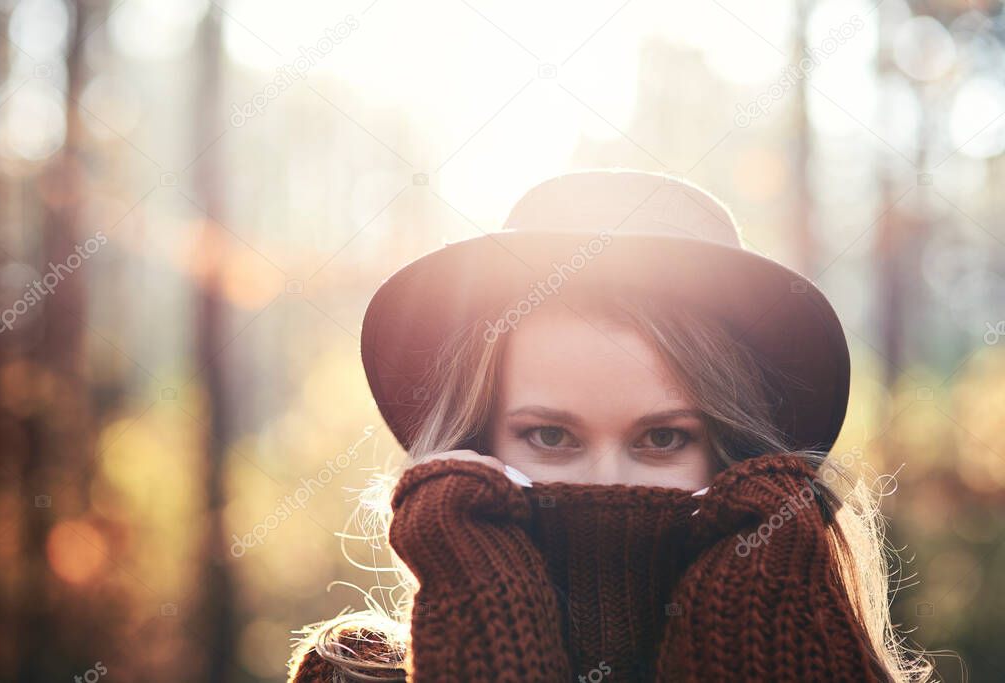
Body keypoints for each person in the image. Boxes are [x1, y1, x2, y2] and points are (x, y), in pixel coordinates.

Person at [287, 169, 933, 682]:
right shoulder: (352, 675)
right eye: (550, 435)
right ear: (475, 443)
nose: (605, 483)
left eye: (661, 438)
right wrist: (485, 627)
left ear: (735, 456)